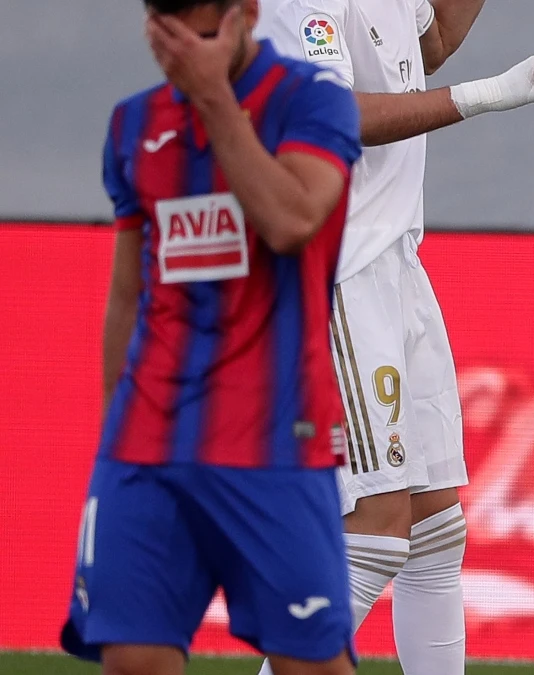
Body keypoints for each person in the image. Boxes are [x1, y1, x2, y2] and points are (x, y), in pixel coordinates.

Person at [253, 1, 534, 672]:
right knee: (376, 533)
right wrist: (489, 95)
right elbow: (335, 114)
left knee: (436, 530)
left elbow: (426, 45)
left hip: (397, 259)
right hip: (336, 265)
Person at [60, 1, 363, 674]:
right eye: (164, 32)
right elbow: (127, 293)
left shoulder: (313, 103)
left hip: (277, 444)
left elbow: (291, 219)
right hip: (148, 446)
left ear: (247, 13)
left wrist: (215, 101)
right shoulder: (134, 124)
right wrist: (116, 434)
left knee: (311, 665)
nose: (182, 53)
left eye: (200, 36)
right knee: (133, 659)